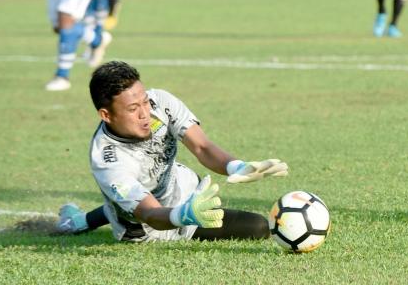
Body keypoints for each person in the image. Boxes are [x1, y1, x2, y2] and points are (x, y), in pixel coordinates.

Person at [57, 61, 289, 242]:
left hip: (179, 185)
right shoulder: (108, 161)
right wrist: (183, 216)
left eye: (144, 102)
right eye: (132, 109)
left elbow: (202, 146)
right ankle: (80, 222)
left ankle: (82, 220)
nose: (145, 113)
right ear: (106, 115)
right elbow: (149, 214)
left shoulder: (161, 102)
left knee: (130, 192)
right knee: (258, 227)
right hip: (150, 230)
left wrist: (237, 167)